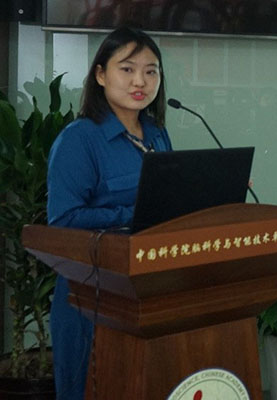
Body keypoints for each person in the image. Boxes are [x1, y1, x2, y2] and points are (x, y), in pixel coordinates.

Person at [47, 27, 172, 399]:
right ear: (101, 75)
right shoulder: (79, 138)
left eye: (151, 71)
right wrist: (135, 213)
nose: (140, 81)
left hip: (148, 288)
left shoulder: (157, 134)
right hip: (91, 293)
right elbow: (63, 221)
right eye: (127, 69)